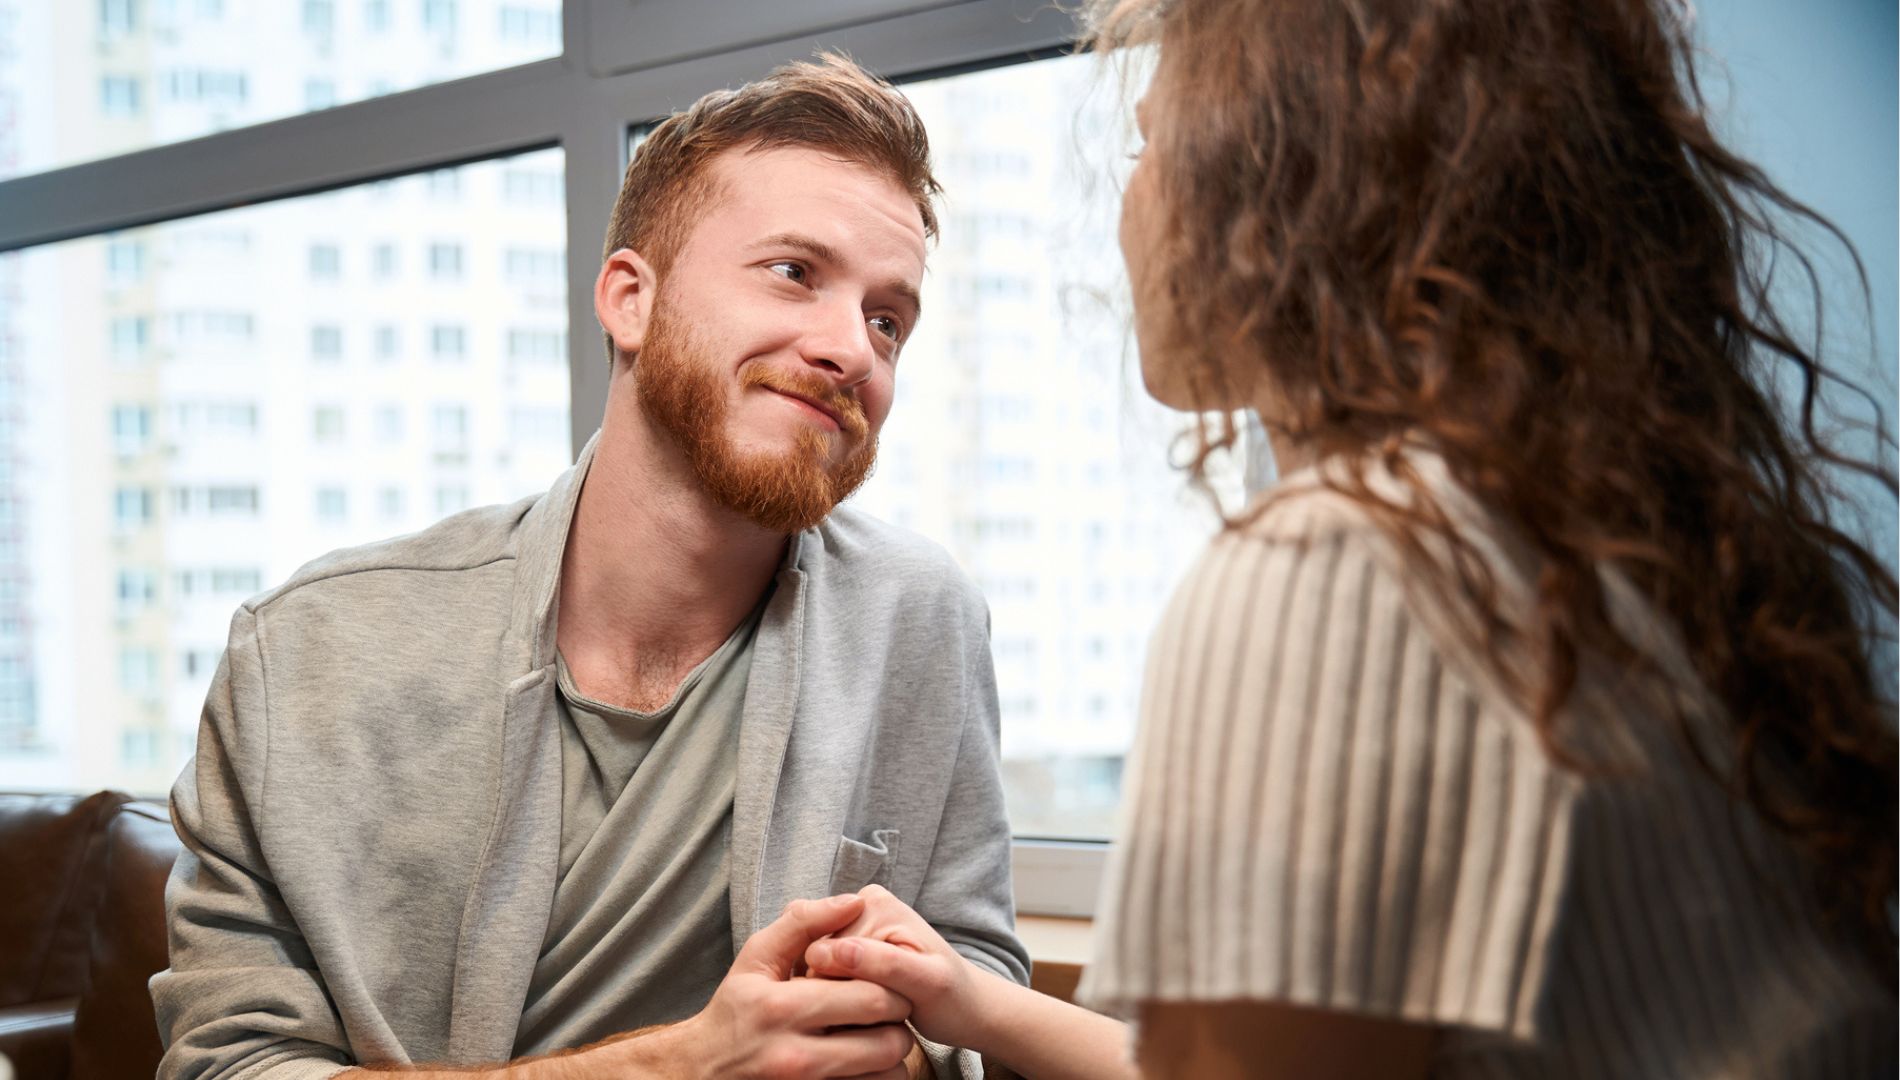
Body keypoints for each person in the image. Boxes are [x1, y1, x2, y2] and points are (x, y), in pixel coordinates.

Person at [802, 1, 1900, 1077]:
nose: (1126, 199)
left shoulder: (1335, 565)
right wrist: (971, 1003)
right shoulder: (1601, 540)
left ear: (1266, 184)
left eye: (1147, 144)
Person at [152, 55, 1029, 1080]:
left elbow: (979, 993)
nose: (851, 349)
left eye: (889, 319)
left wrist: (909, 1063)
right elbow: (227, 1066)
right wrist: (683, 1064)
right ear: (629, 300)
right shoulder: (305, 651)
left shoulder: (920, 620)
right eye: (794, 272)